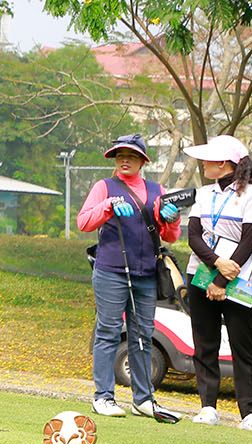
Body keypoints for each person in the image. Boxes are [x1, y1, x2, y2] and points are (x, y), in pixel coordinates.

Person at [76, 133, 182, 418]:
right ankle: (103, 397)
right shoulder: (104, 187)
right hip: (111, 271)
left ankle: (143, 399)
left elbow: (170, 235)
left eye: (132, 156)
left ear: (142, 161)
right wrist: (107, 206)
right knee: (109, 332)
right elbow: (84, 222)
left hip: (146, 273)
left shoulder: (156, 190)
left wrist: (173, 219)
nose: (125, 160)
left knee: (143, 335)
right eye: (120, 155)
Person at [183, 135, 252, 432]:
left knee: (242, 345)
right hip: (201, 274)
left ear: (223, 163)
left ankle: (250, 413)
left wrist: (222, 280)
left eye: (208, 159)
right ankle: (208, 407)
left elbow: (248, 241)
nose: (203, 164)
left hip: (241, 279)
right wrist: (216, 264)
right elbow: (193, 235)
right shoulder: (204, 193)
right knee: (204, 342)